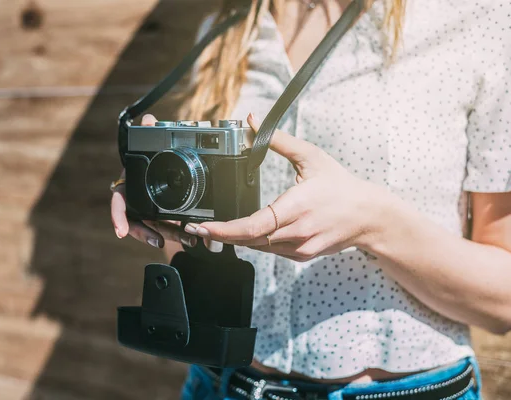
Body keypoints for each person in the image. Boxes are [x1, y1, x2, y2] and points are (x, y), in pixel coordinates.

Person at [111, 0, 511, 398]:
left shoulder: (478, 18)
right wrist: (166, 200)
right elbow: (202, 247)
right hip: (221, 383)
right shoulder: (225, 30)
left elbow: (503, 301)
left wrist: (374, 224)